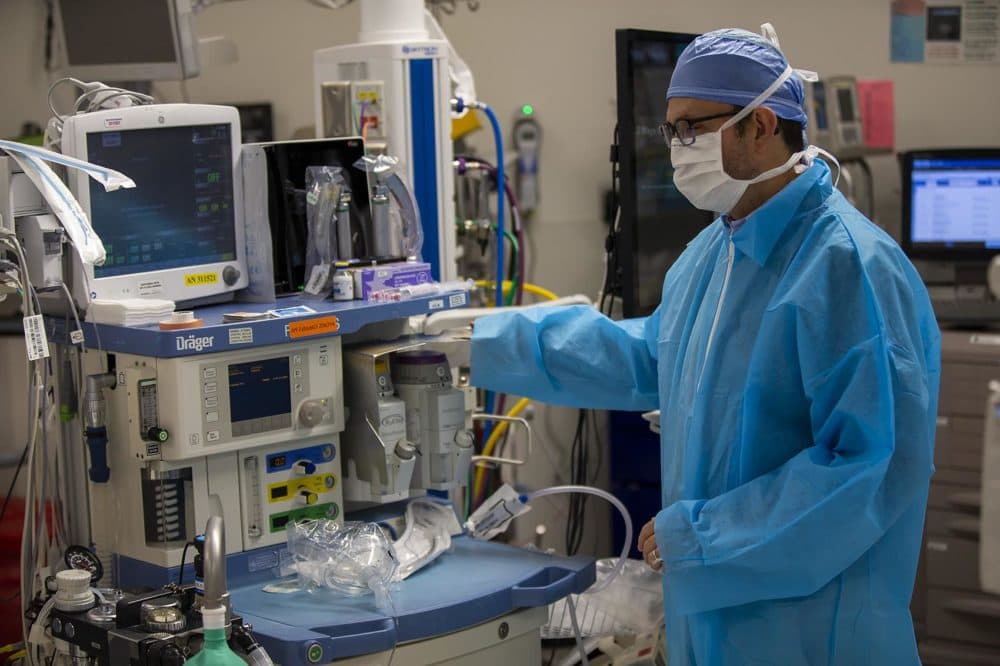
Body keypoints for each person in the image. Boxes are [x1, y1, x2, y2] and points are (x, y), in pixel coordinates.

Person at [469, 23, 941, 665]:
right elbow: (648, 356)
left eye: (692, 127)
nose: (676, 147)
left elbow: (865, 467)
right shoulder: (714, 254)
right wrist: (478, 343)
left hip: (811, 634)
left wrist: (703, 536)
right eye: (671, 130)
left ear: (761, 125)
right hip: (716, 627)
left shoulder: (848, 267)